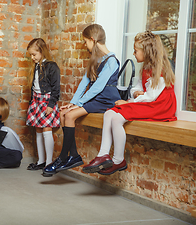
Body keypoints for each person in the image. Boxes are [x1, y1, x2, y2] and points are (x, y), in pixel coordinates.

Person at [82, 31, 176, 175]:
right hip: (147, 102)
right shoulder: (145, 67)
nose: (134, 53)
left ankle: (118, 160)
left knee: (117, 118)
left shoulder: (160, 69)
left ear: (147, 51)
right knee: (109, 112)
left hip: (160, 106)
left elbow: (151, 96)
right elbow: (137, 87)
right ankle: (103, 154)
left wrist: (130, 102)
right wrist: (135, 94)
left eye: (136, 50)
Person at [42, 24, 121, 177]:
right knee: (64, 111)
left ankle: (64, 157)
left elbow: (98, 87)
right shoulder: (96, 60)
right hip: (96, 98)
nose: (85, 45)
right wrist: (73, 102)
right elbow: (84, 83)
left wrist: (80, 104)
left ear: (93, 39)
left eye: (85, 42)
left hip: (106, 99)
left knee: (70, 116)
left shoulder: (112, 60)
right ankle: (73, 156)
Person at [25, 38, 61, 171]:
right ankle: (41, 161)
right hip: (36, 100)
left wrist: (51, 105)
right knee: (38, 129)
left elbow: (56, 89)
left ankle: (49, 162)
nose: (32, 57)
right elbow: (34, 87)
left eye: (34, 54)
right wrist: (31, 102)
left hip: (47, 101)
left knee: (47, 129)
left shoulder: (52, 66)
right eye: (31, 55)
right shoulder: (36, 66)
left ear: (42, 51)